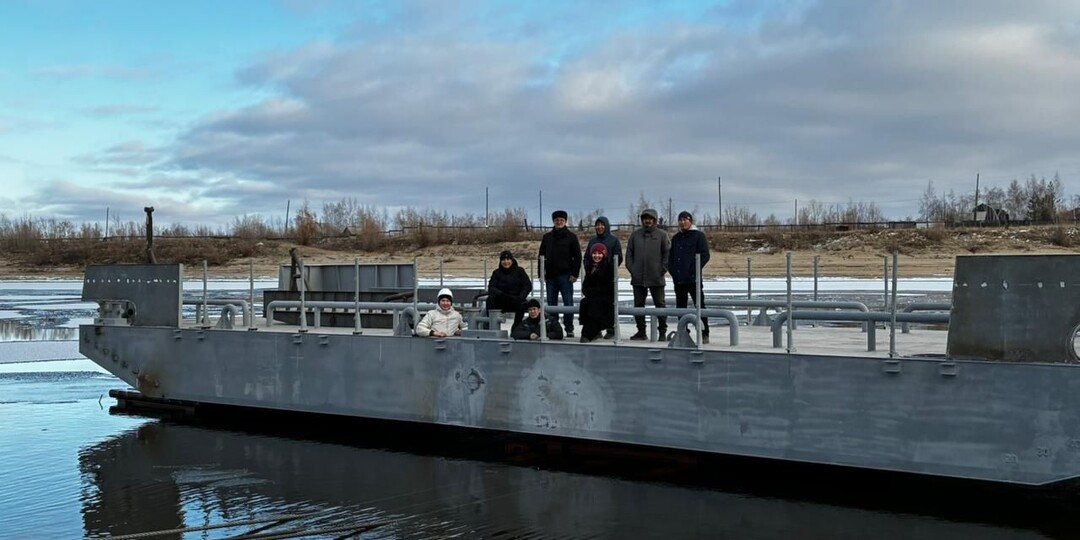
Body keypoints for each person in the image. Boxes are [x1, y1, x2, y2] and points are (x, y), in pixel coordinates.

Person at [625, 208, 669, 341]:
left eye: (650, 218)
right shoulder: (635, 235)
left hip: (656, 278)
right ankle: (641, 331)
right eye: (645, 218)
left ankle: (662, 332)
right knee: (638, 306)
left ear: (654, 220)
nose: (647, 221)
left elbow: (667, 254)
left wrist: (661, 270)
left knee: (660, 305)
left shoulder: (662, 235)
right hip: (638, 278)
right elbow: (629, 254)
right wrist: (633, 270)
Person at [538, 210, 582, 338]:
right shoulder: (547, 237)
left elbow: (577, 257)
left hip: (566, 276)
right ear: (553, 221)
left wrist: (575, 274)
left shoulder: (571, 237)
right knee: (551, 303)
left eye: (561, 220)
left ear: (565, 221)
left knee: (568, 303)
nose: (559, 222)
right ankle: (554, 327)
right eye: (557, 220)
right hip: (550, 276)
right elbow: (541, 256)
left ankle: (569, 328)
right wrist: (541, 272)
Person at [669, 211, 711, 344]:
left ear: (690, 221)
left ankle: (704, 332)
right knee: (680, 307)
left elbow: (705, 255)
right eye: (680, 220)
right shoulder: (676, 238)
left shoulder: (698, 236)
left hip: (694, 279)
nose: (682, 222)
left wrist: (694, 270)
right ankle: (683, 331)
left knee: (700, 305)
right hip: (679, 279)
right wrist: (673, 271)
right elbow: (671, 258)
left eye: (685, 219)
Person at [585, 216, 622, 339]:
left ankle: (611, 329)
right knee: (593, 304)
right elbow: (587, 257)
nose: (599, 227)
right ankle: (596, 329)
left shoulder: (614, 241)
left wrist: (607, 268)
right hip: (594, 276)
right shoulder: (592, 241)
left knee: (609, 304)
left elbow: (618, 257)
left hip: (608, 278)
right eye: (597, 225)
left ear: (606, 226)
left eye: (602, 225)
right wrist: (590, 268)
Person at [578, 243, 616, 342]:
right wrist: (591, 292)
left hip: (605, 298)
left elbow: (608, 288)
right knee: (585, 303)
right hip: (592, 297)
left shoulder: (608, 268)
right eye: (594, 253)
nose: (597, 256)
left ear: (604, 254)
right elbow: (585, 287)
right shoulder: (590, 268)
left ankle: (587, 334)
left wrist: (594, 292)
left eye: (599, 253)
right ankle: (592, 332)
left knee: (594, 306)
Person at [487, 250, 532, 326]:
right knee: (490, 300)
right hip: (502, 300)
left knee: (523, 305)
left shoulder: (520, 271)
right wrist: (501, 294)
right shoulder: (496, 273)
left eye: (508, 259)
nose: (506, 262)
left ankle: (516, 327)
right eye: (503, 260)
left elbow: (527, 286)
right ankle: (491, 326)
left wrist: (521, 296)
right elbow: (491, 287)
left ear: (512, 260)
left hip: (517, 299)